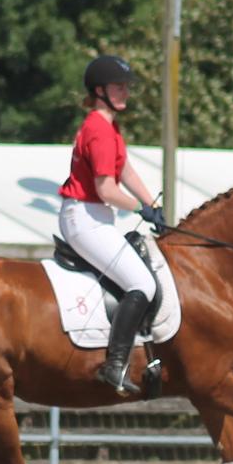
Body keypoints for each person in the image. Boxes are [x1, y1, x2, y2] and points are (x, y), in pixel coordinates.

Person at [58, 55, 165, 394]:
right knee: (143, 285)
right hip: (86, 219)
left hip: (96, 217)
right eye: (119, 87)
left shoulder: (107, 126)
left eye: (126, 87)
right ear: (100, 90)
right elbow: (106, 188)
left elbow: (124, 170)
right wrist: (140, 209)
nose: (125, 93)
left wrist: (152, 202)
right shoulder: (98, 130)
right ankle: (115, 364)